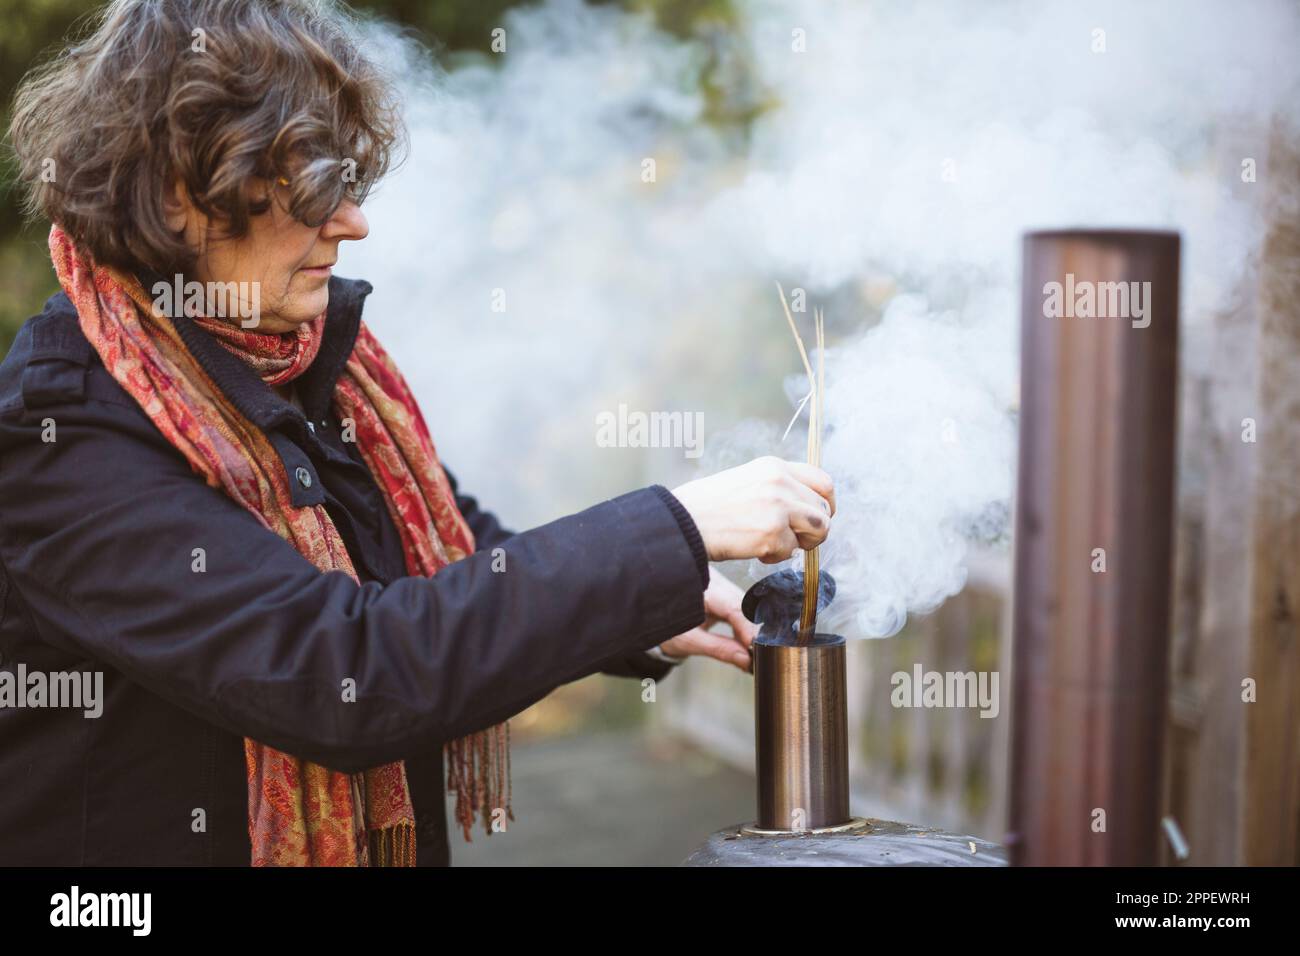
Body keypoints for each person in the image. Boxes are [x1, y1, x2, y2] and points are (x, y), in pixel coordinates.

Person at [0, 0, 834, 866]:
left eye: (349, 184)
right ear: (181, 196)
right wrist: (679, 526)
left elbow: (455, 553)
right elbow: (344, 672)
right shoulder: (63, 432)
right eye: (311, 189)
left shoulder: (302, 358)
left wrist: (648, 607)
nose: (354, 222)